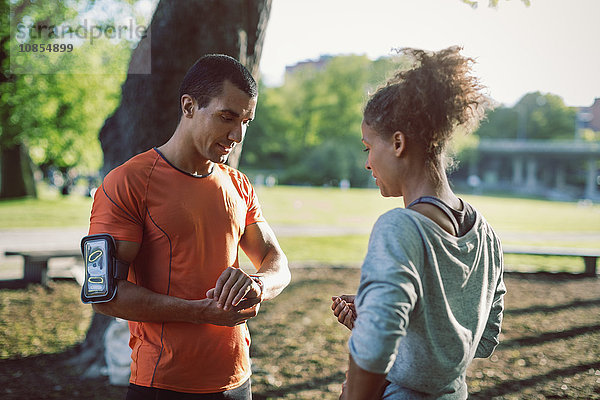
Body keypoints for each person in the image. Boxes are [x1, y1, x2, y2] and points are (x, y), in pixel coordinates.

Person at [87, 54, 291, 399]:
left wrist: (258, 285)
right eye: (227, 117)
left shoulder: (238, 184)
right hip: (164, 382)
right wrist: (199, 312)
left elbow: (276, 261)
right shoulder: (127, 182)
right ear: (189, 106)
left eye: (246, 121)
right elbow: (103, 294)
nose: (237, 134)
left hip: (238, 379)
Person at [331, 46, 506, 399]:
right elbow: (484, 340)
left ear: (398, 143)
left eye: (368, 147)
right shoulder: (486, 235)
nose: (368, 163)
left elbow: (373, 351)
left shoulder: (399, 228)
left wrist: (378, 327)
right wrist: (383, 310)